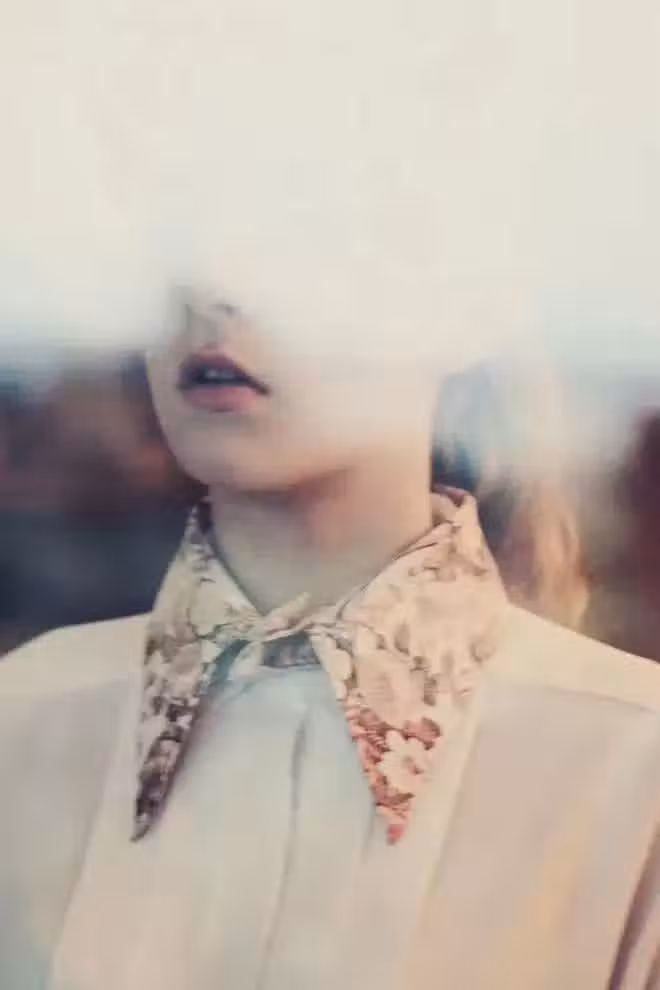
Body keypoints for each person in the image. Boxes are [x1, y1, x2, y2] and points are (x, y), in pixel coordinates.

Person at [1, 285, 660, 990]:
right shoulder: (22, 721)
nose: (216, 292)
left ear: (468, 307)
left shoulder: (634, 764)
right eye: (180, 243)